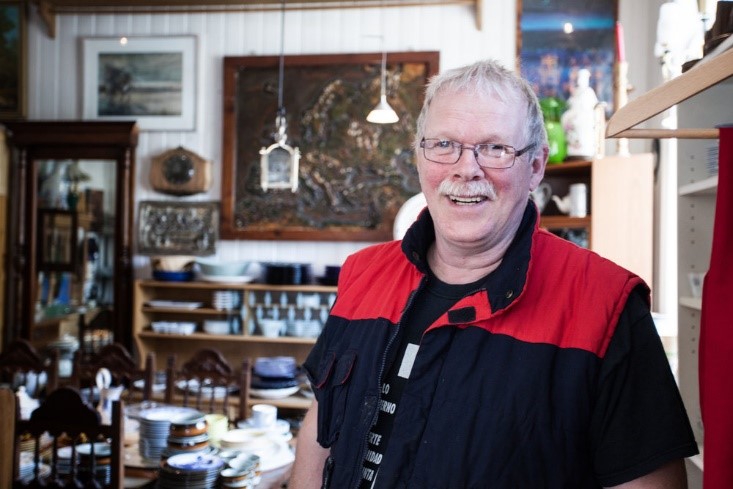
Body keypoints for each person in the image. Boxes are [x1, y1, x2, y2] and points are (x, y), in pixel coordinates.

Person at [290, 59, 698, 488]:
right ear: (420, 157)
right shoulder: (362, 273)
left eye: (495, 148)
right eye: (444, 144)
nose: (466, 169)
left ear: (536, 166)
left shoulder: (606, 304)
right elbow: (322, 426)